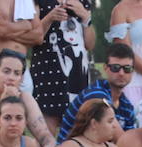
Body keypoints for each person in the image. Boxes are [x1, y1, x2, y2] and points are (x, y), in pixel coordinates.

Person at [29, 0, 95, 137]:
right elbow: (34, 38)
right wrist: (50, 17)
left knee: (76, 129)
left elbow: (90, 43)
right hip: (47, 73)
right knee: (46, 133)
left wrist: (85, 16)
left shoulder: (83, 2)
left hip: (77, 75)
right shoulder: (38, 2)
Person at [55, 41, 138, 142]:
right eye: (115, 68)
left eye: (127, 68)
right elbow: (123, 141)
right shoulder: (95, 93)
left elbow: (129, 142)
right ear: (105, 68)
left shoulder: (127, 106)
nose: (121, 73)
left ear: (133, 71)